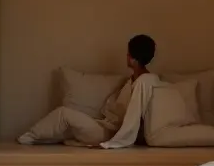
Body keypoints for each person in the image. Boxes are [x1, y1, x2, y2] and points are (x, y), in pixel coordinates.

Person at [17, 35, 159, 149]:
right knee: (64, 127)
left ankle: (27, 138)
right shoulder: (133, 80)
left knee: (63, 113)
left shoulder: (144, 81)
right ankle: (36, 139)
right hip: (104, 126)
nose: (126, 56)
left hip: (110, 134)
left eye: (128, 54)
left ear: (133, 58)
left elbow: (134, 118)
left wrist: (118, 141)